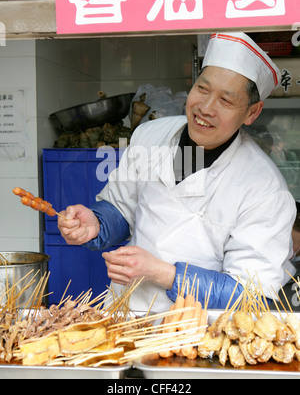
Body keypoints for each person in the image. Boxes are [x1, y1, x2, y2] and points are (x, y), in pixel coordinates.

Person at [58, 32, 296, 313]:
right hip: (128, 319)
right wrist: (96, 224)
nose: (205, 108)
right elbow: (123, 207)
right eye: (203, 89)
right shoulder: (151, 136)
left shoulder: (264, 189)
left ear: (252, 112)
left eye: (226, 100)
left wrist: (163, 273)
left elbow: (250, 296)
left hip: (200, 337)